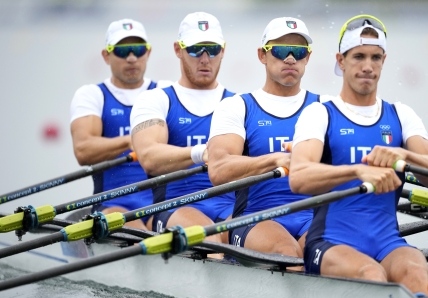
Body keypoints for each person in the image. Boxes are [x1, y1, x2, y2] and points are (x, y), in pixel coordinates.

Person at [288, 15, 428, 296]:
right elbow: (299, 177)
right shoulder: (320, 113)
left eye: (376, 57)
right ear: (341, 61)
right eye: (358, 56)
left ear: (384, 61)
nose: (367, 66)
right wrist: (356, 171)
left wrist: (404, 155)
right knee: (371, 275)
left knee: (415, 269)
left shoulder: (401, 115)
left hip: (388, 242)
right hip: (330, 243)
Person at [207, 17, 318, 259]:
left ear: (307, 57)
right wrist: (275, 160)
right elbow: (218, 169)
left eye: (298, 52)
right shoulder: (237, 107)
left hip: (312, 217)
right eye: (280, 50)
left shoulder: (326, 108)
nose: (290, 58)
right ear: (262, 55)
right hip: (254, 217)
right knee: (288, 253)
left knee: (332, 248)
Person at [130, 12, 234, 244]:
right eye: (196, 49)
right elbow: (149, 157)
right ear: (178, 49)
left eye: (213, 49)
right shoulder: (156, 101)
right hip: (173, 206)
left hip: (230, 205)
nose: (205, 58)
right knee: (212, 237)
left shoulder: (239, 104)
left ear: (223, 50)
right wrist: (201, 153)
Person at [70, 19, 158, 230]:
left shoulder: (163, 92)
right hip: (113, 204)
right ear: (106, 55)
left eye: (138, 50)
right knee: (136, 229)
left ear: (148, 53)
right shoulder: (92, 95)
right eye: (122, 51)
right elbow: (83, 151)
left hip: (161, 204)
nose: (131, 58)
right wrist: (133, 140)